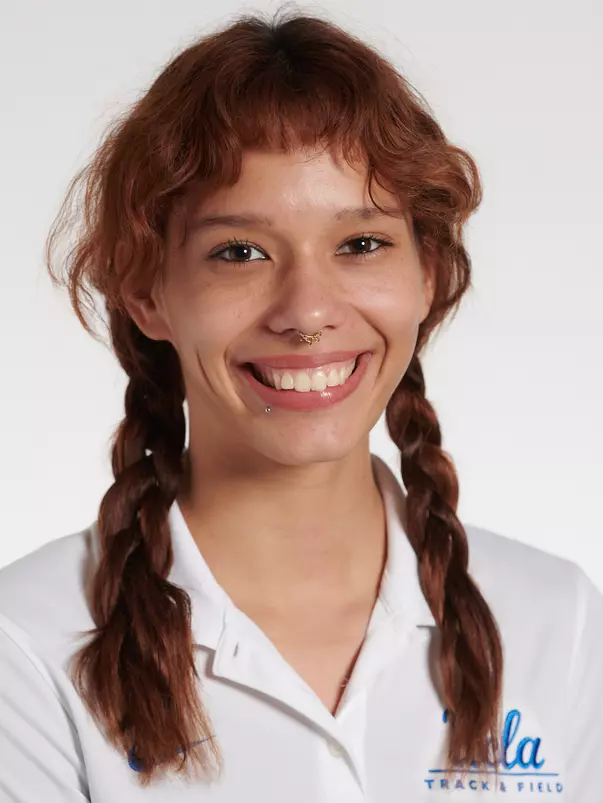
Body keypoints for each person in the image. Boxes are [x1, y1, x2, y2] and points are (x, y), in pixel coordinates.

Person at [1, 7, 601, 802]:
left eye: (360, 244)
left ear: (430, 273)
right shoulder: (27, 644)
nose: (306, 309)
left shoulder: (555, 621)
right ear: (146, 292)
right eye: (238, 252)